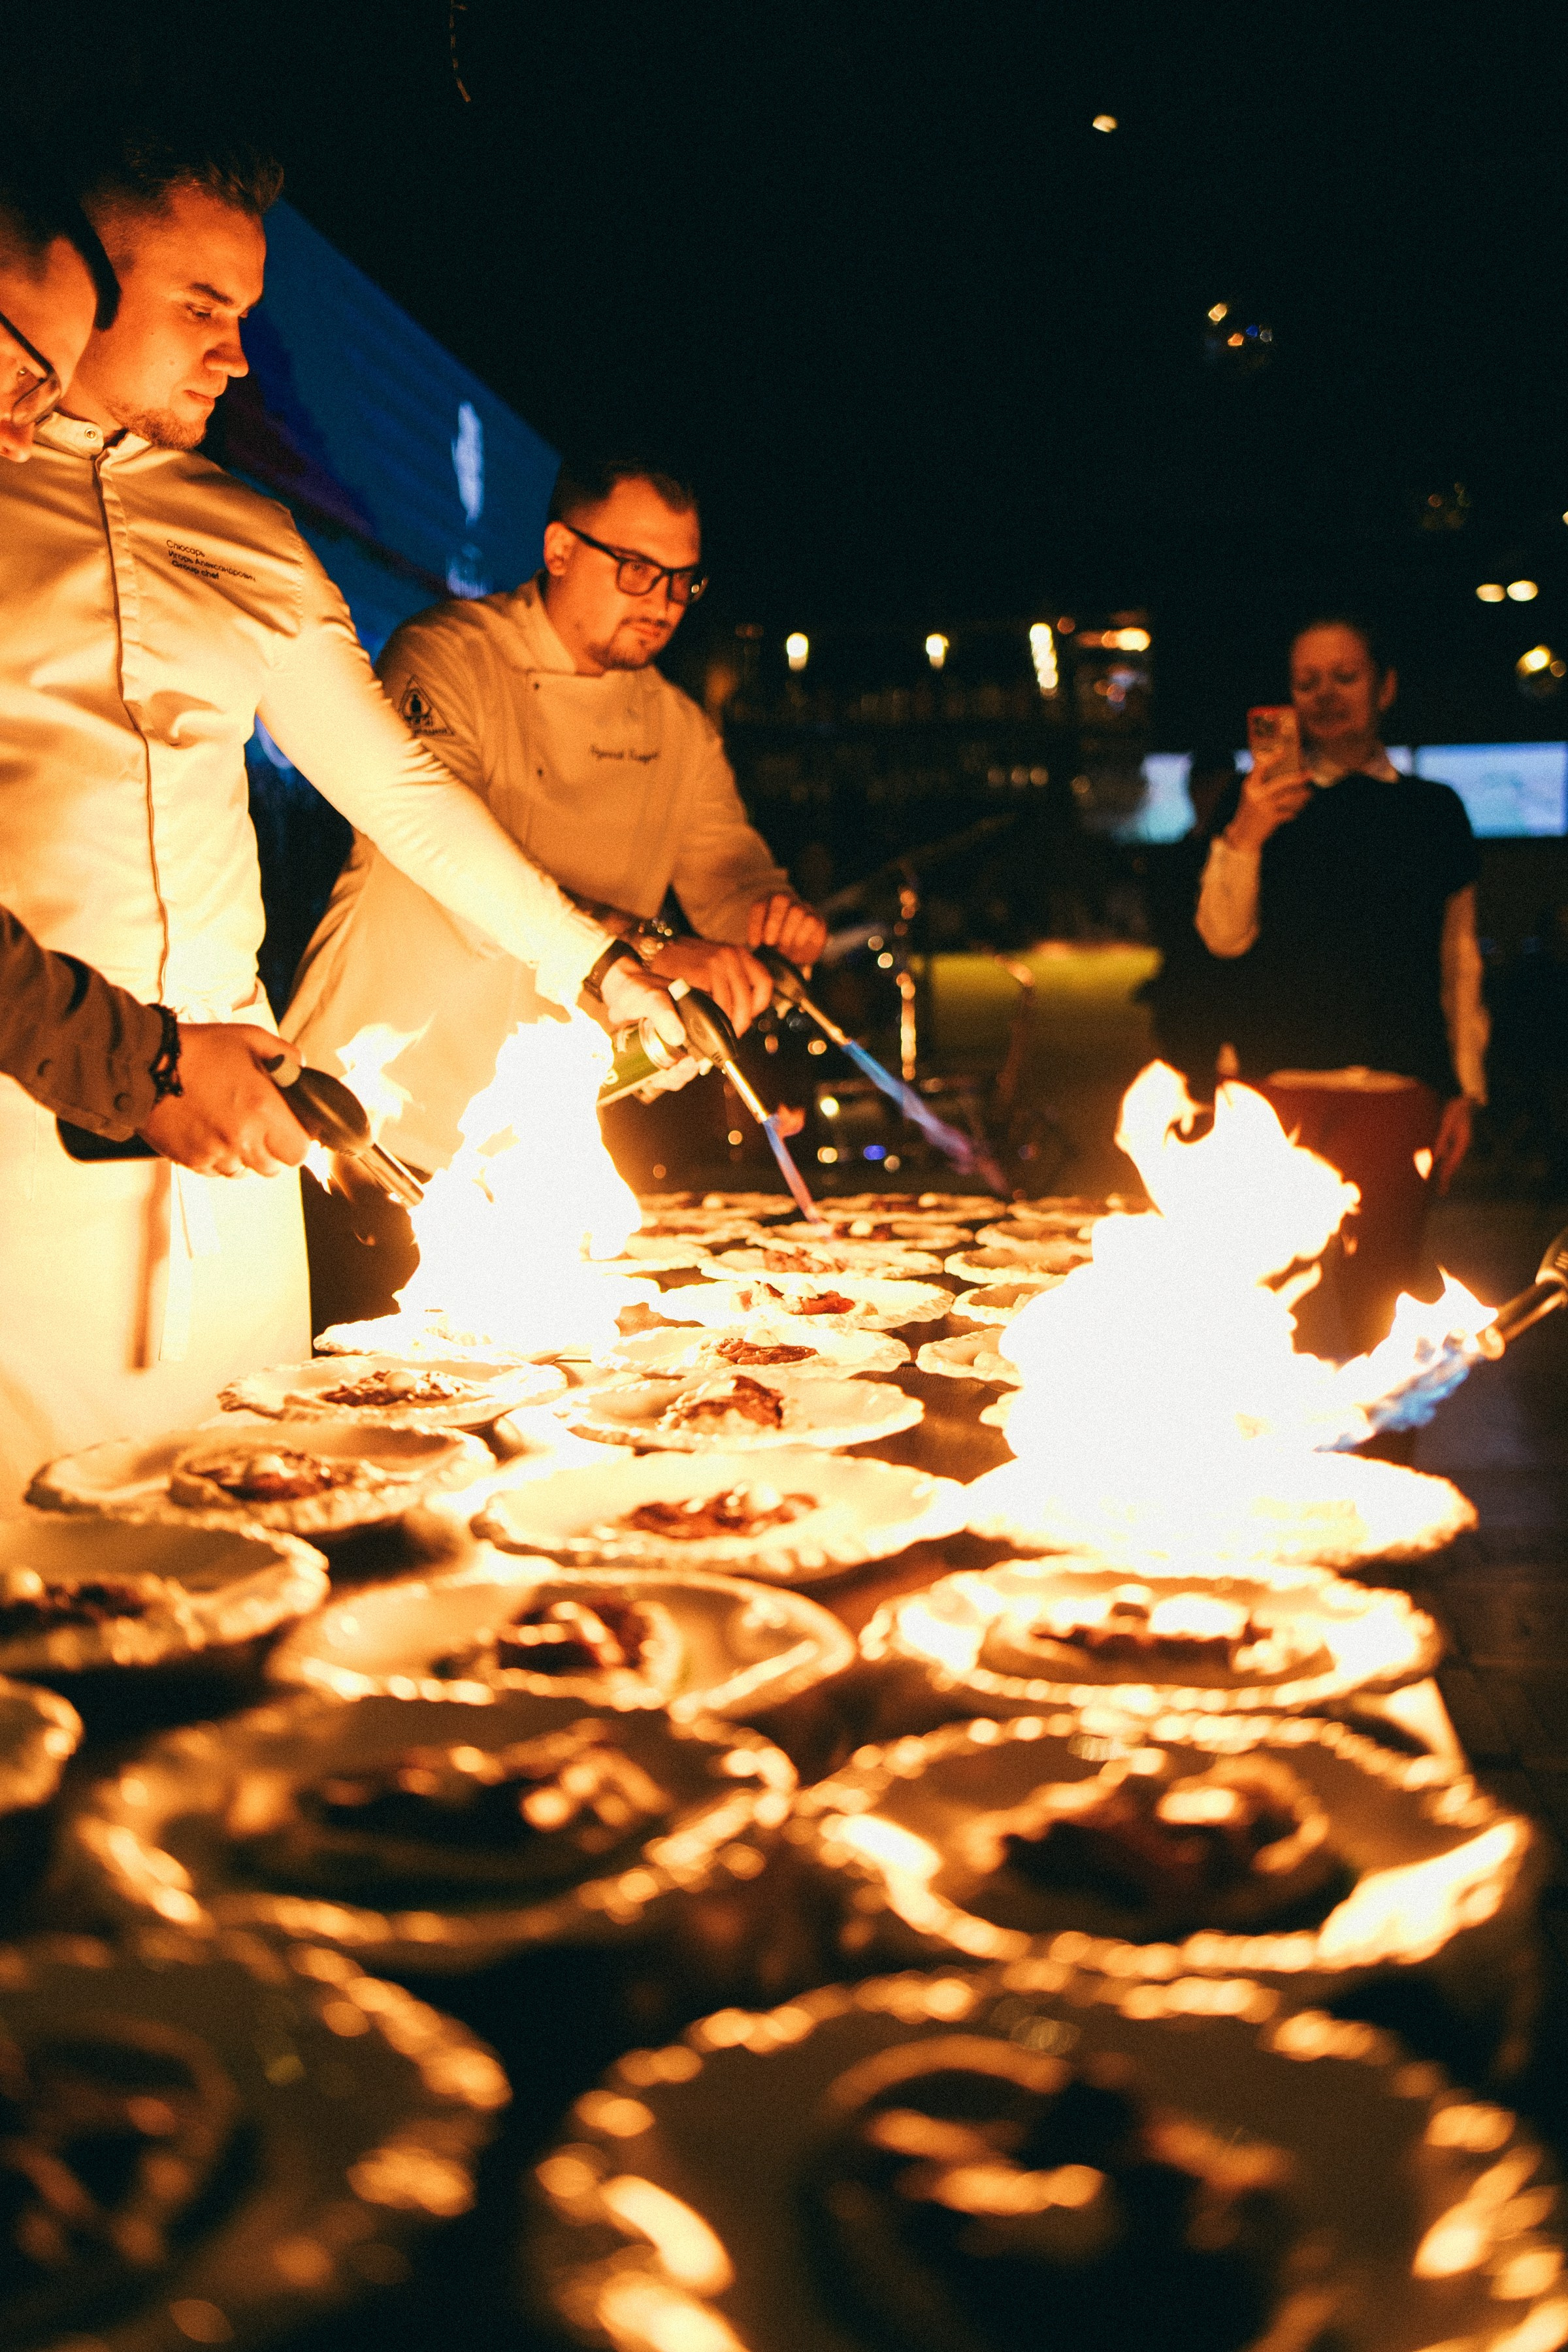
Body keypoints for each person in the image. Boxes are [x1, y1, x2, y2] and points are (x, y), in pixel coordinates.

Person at [0, 123, 680, 1503]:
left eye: (245, 318)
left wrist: (598, 969)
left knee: (252, 1518)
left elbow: (401, 791)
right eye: (202, 309)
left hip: (239, 1129)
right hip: (26, 1113)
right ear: (81, 282)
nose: (234, 355)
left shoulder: (249, 532)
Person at [286, 453, 828, 1184]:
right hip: (373, 1112)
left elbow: (726, 873)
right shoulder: (449, 657)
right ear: (560, 550)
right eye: (637, 568)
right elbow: (453, 868)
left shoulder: (678, 725)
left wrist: (765, 916)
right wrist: (656, 950)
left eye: (682, 579)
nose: (664, 600)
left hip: (534, 1136)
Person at [1196, 615, 1487, 1357]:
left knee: (1379, 1319)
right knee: (1260, 1322)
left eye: (1345, 676)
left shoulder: (1435, 810)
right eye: (1307, 682)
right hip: (1272, 1088)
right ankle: (1266, 1475)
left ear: (1383, 687)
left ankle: (1382, 1472)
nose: (1326, 695)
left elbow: (1459, 959)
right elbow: (1221, 937)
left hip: (1395, 1091)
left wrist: (1465, 1088)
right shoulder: (1255, 802)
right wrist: (1246, 834)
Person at [1137, 746, 1237, 1094]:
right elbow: (1167, 928)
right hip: (1188, 999)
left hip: (1229, 999)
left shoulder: (1242, 855)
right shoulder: (1175, 859)